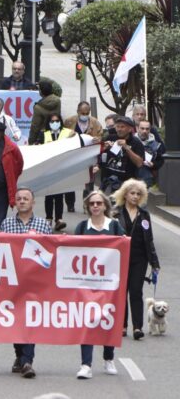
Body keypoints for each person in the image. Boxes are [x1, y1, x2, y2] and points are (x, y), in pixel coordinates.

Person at [0, 188, 52, 379]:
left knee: (30, 320)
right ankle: (20, 355)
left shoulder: (43, 225)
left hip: (34, 282)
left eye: (25, 199)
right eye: (19, 199)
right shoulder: (6, 224)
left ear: (33, 202)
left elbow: (51, 250)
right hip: (12, 282)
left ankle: (27, 361)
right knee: (16, 320)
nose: (22, 201)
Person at [73, 190, 125, 379]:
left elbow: (123, 249)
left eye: (99, 203)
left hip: (109, 284)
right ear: (87, 206)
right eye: (92, 203)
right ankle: (86, 364)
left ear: (105, 206)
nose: (95, 206)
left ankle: (108, 358)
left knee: (107, 321)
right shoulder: (81, 226)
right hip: (86, 284)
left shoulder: (115, 226)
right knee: (87, 322)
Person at [112, 179, 160, 341]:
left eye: (138, 194)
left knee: (136, 291)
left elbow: (150, 240)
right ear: (125, 194)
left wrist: (155, 263)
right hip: (119, 258)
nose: (135, 196)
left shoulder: (144, 214)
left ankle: (137, 327)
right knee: (121, 292)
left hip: (139, 258)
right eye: (132, 193)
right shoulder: (115, 213)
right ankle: (122, 325)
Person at [38, 113, 76, 230]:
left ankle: (59, 219)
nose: (55, 123)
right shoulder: (44, 134)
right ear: (49, 123)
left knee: (59, 194)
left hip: (62, 168)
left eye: (57, 121)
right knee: (49, 195)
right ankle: (48, 219)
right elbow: (38, 148)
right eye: (52, 121)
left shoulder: (68, 133)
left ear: (60, 121)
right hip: (48, 168)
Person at [96, 115, 145, 193]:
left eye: (122, 127)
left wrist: (127, 148)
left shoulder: (136, 143)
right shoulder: (110, 138)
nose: (119, 129)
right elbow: (101, 156)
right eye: (117, 126)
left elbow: (139, 163)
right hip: (108, 181)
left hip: (126, 184)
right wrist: (103, 148)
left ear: (130, 129)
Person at [28, 80, 61, 145]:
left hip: (43, 136)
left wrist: (31, 141)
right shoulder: (58, 101)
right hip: (57, 133)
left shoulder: (38, 107)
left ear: (41, 91)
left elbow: (35, 126)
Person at [136, 119, 164, 187]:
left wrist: (153, 164)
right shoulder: (131, 141)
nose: (144, 131)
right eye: (142, 128)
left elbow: (161, 161)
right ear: (137, 128)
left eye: (147, 129)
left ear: (150, 130)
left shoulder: (157, 145)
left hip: (148, 177)